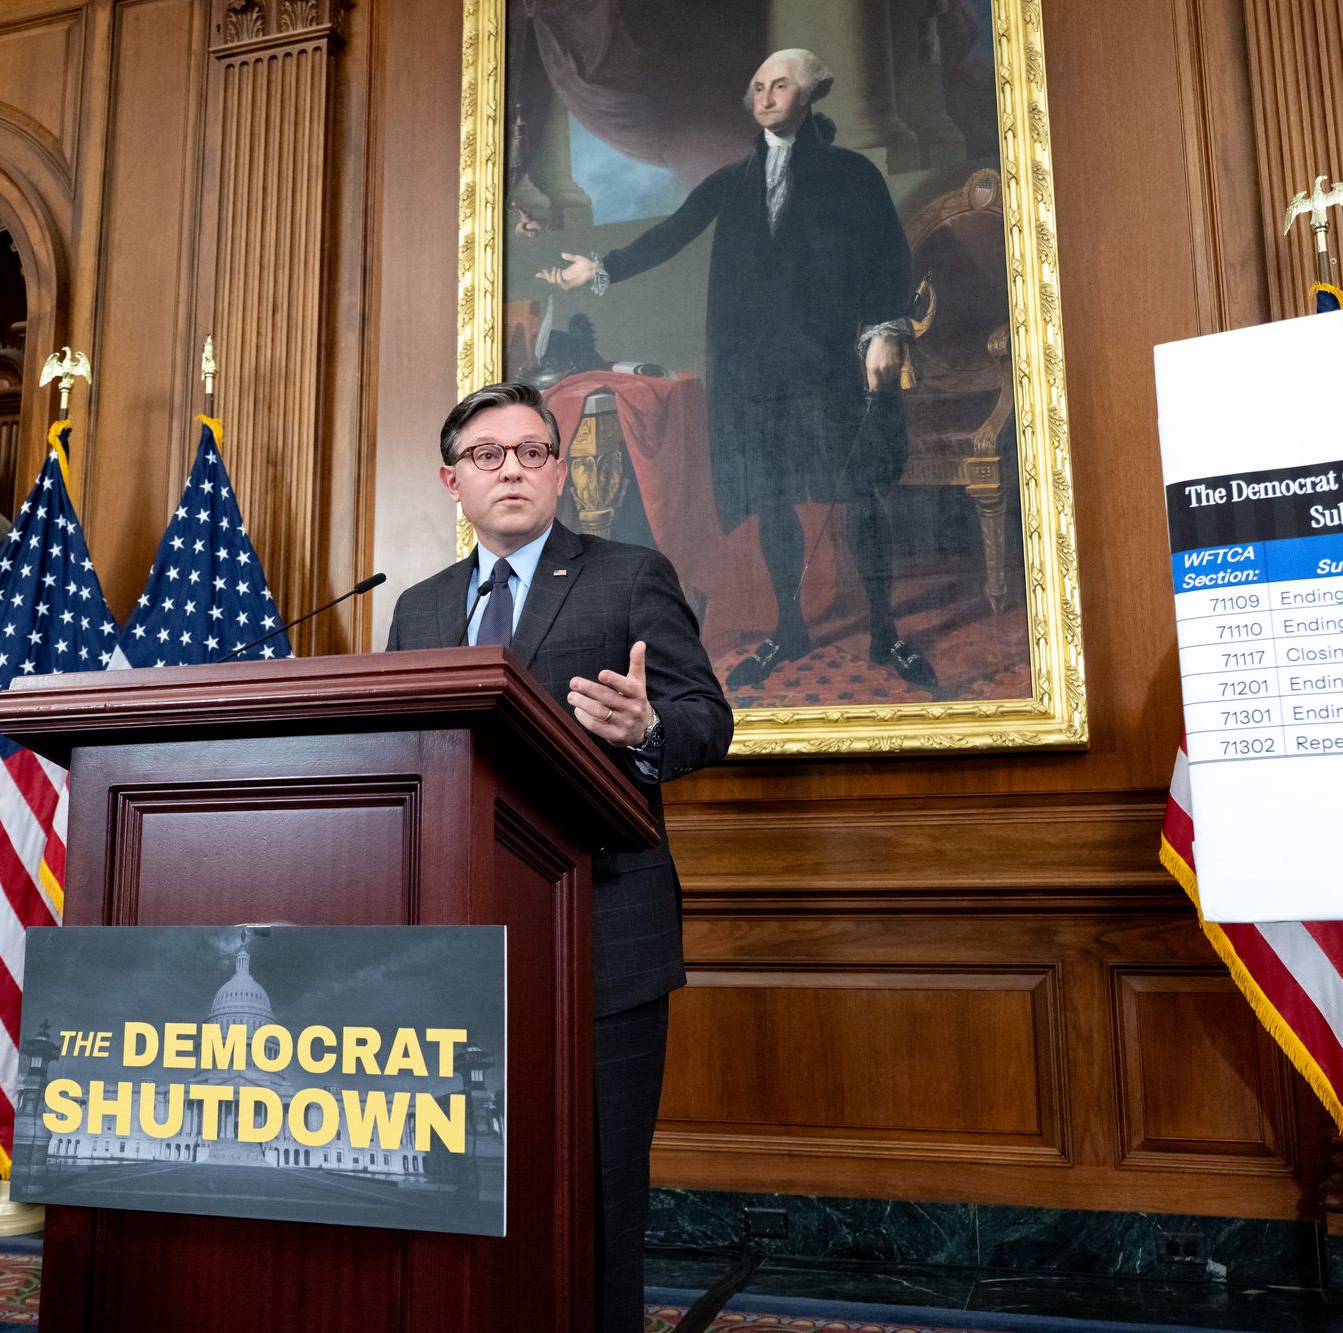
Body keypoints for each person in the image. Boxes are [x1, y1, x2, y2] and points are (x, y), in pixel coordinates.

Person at [386, 381, 732, 1333]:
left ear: (559, 470)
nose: (512, 470)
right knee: (473, 1180)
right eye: (489, 455)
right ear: (452, 479)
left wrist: (651, 725)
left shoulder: (627, 575)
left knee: (601, 1184)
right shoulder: (417, 609)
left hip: (602, 933)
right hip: (455, 942)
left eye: (533, 452)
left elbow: (713, 721)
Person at [540, 48, 938, 693]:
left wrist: (886, 330)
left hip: (832, 365)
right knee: (773, 500)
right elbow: (673, 231)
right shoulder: (733, 179)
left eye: (780, 85)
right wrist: (600, 265)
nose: (765, 96)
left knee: (859, 496)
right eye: (758, 86)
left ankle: (885, 630)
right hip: (757, 374)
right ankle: (790, 627)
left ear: (810, 95)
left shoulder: (852, 173)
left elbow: (885, 255)